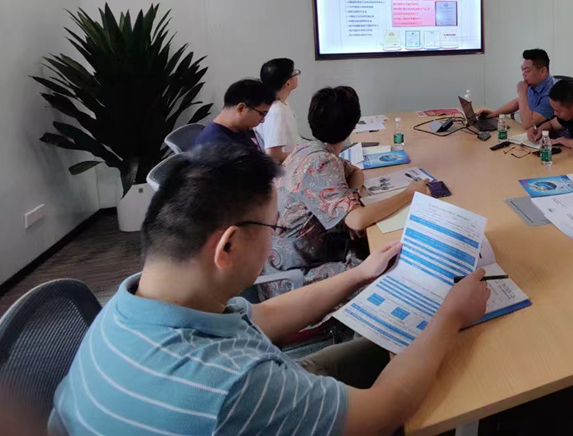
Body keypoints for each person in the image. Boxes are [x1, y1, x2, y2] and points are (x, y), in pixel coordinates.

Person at [50, 143, 490, 436]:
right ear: (228, 246)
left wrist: (359, 274)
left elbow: (260, 319)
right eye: (273, 227)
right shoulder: (235, 387)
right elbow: (382, 411)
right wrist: (451, 314)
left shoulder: (127, 304)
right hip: (264, 402)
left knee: (387, 347)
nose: (275, 238)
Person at [267, 86, 430, 290]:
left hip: (292, 258)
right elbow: (358, 220)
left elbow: (355, 172)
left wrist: (350, 200)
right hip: (294, 277)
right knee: (394, 269)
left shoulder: (309, 148)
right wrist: (409, 193)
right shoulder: (322, 163)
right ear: (352, 126)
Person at [481, 48, 555, 128]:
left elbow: (529, 124)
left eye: (527, 70)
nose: (523, 74)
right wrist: (495, 113)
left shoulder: (551, 93)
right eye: (522, 69)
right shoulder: (534, 84)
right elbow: (517, 102)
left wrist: (522, 93)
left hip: (547, 135)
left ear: (543, 71)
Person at [193, 78, 274, 151]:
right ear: (241, 108)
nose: (263, 120)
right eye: (262, 113)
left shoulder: (242, 129)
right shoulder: (214, 145)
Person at [257, 57, 301, 164]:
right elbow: (273, 155)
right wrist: (300, 156)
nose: (297, 75)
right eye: (294, 73)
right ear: (287, 83)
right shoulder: (276, 111)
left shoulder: (281, 103)